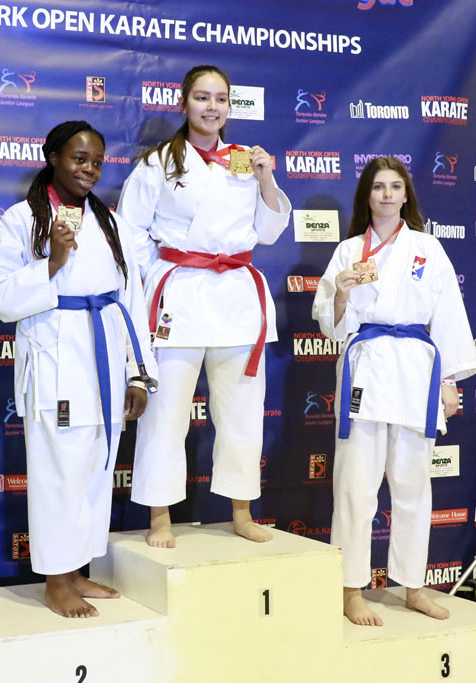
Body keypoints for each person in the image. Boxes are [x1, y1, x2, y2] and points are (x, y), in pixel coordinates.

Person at [0, 121, 157, 618]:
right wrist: (52, 262)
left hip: (105, 358)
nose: (89, 169)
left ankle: (77, 570)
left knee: (96, 469)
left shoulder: (109, 222)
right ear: (53, 157)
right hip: (57, 363)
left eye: (97, 162)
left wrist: (138, 373)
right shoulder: (23, 219)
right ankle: (55, 580)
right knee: (58, 472)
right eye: (79, 159)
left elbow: (131, 300)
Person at [117, 65, 291, 548]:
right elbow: (130, 233)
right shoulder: (158, 163)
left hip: (235, 296)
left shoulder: (245, 161)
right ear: (184, 104)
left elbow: (268, 230)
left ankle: (242, 511)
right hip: (181, 295)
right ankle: (159, 515)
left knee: (241, 413)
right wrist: (161, 273)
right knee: (166, 413)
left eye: (220, 99)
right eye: (201, 97)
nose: (212, 107)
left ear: (229, 106)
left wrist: (266, 179)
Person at [312, 157, 476, 626]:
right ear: (366, 196)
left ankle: (413, 586)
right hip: (365, 367)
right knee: (355, 487)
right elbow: (330, 324)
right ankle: (351, 589)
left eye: (395, 186)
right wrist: (341, 293)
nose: (387, 194)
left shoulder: (427, 248)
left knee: (413, 487)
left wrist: (448, 382)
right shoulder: (349, 251)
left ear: (407, 195)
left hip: (414, 371)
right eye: (378, 187)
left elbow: (448, 315)